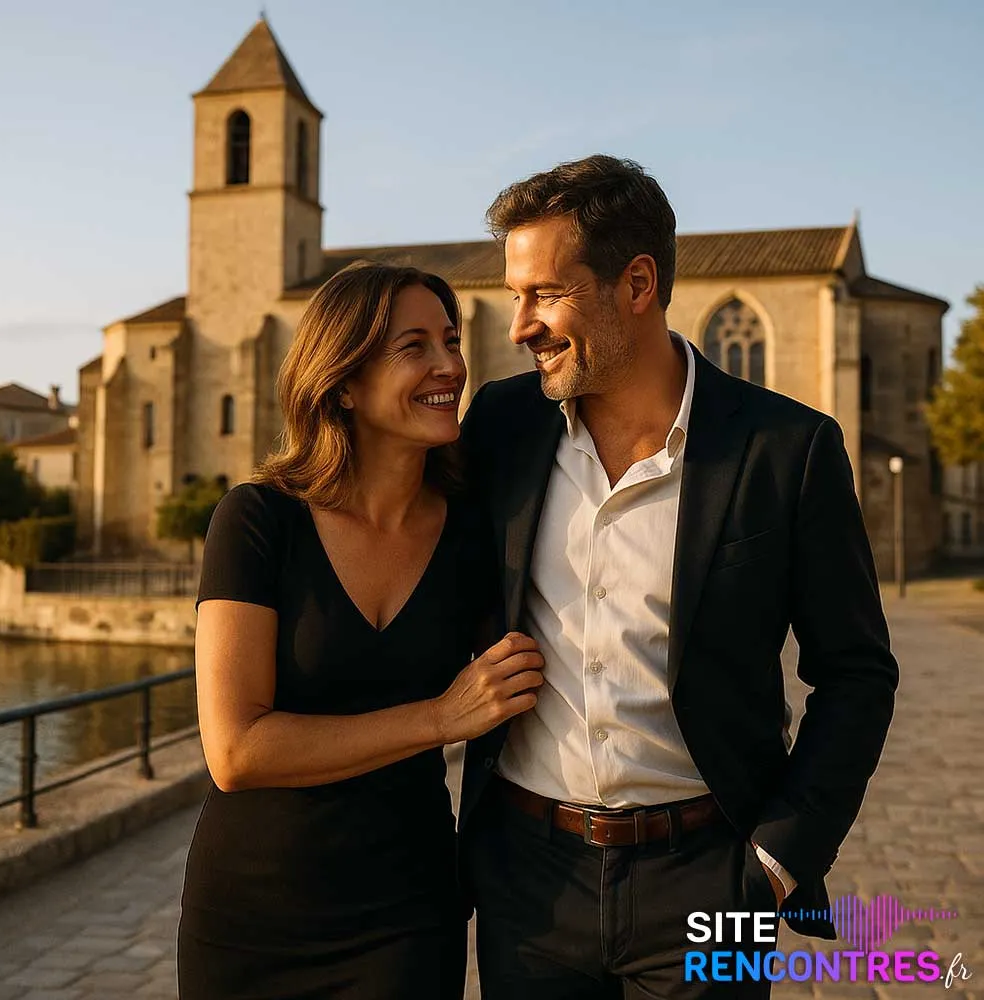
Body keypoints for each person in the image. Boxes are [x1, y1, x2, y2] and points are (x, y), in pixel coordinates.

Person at [459, 155, 899, 999]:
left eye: (545, 294)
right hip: (528, 884)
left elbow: (856, 673)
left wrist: (774, 863)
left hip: (709, 881)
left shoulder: (787, 449)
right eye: (515, 296)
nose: (519, 327)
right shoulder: (502, 428)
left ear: (636, 283)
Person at [177, 261, 544, 999]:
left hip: (406, 911)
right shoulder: (257, 521)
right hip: (249, 916)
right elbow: (235, 750)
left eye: (450, 340)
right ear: (342, 381)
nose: (449, 366)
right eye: (414, 347)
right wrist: (439, 718)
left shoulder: (477, 533)